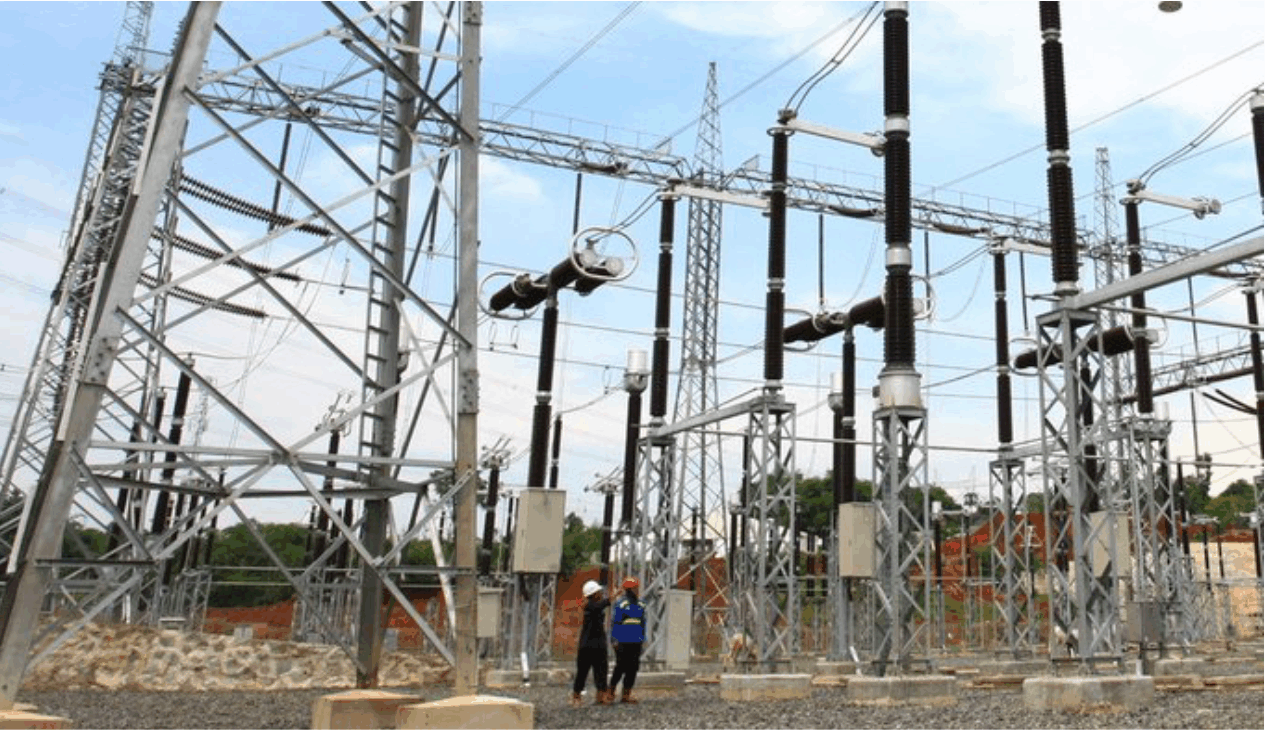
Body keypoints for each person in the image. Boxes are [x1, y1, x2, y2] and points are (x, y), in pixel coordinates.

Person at [571, 579, 612, 707]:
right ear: (593, 594)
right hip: (587, 644)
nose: (601, 593)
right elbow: (601, 605)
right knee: (582, 671)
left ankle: (601, 695)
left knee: (601, 670)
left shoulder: (595, 605)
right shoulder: (589, 606)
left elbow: (601, 605)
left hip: (599, 642)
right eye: (598, 592)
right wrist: (613, 597)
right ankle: (576, 696)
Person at [608, 576, 645, 704]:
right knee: (620, 667)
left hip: (636, 640)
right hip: (623, 641)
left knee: (633, 668)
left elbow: (642, 622)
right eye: (635, 588)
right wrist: (614, 640)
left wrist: (642, 638)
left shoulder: (640, 604)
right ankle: (611, 692)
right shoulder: (622, 604)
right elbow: (616, 622)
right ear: (630, 589)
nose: (637, 590)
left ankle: (626, 695)